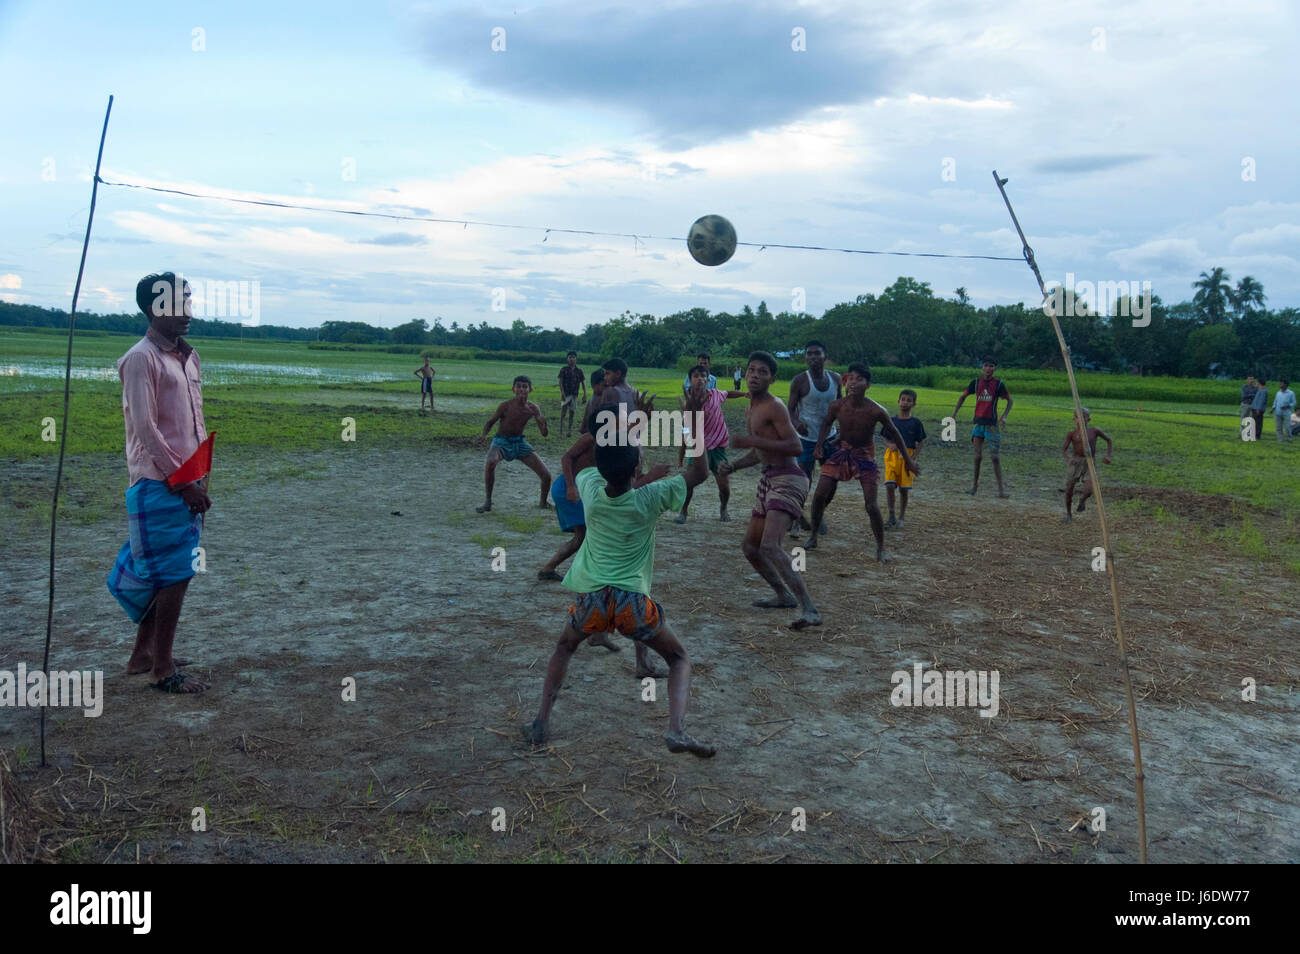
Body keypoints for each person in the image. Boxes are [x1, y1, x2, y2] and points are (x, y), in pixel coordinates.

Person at [521, 438, 716, 758]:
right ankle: (676, 731)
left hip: (592, 604)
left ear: (601, 467)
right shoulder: (651, 497)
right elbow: (700, 471)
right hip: (634, 607)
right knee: (679, 658)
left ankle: (540, 723)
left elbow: (576, 463)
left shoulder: (590, 487)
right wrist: (692, 419)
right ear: (637, 469)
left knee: (564, 648)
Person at [106, 272, 211, 694]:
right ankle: (162, 669)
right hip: (160, 484)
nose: (187, 312)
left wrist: (199, 475)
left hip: (186, 480)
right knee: (173, 574)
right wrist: (183, 481)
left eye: (188, 302)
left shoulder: (189, 357)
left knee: (168, 571)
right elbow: (146, 429)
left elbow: (194, 422)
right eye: (177, 304)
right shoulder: (140, 358)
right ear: (154, 309)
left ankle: (142, 655)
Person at [718, 351, 821, 629]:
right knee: (751, 547)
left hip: (789, 478)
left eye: (762, 372)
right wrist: (735, 466)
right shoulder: (751, 406)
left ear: (772, 378)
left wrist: (750, 439)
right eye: (751, 370)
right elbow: (761, 449)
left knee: (770, 545)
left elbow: (796, 447)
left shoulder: (775, 407)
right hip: (769, 479)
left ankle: (810, 609)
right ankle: (782, 596)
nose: (754, 375)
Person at [805, 364, 915, 561]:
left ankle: (881, 548)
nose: (853, 383)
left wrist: (907, 460)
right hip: (841, 450)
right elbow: (827, 423)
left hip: (864, 456)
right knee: (820, 495)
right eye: (851, 379)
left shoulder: (875, 410)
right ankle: (813, 535)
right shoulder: (837, 405)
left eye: (859, 379)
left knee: (871, 505)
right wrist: (819, 445)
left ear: (868, 385)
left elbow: (895, 432)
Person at [539, 369, 606, 582]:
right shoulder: (590, 439)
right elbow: (566, 458)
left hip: (577, 488)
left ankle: (551, 569)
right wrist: (570, 487)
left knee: (586, 534)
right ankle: (550, 568)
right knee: (584, 535)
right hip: (567, 487)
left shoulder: (609, 442)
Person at [676, 364, 748, 523]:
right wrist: (681, 456)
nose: (700, 379)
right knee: (689, 483)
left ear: (708, 380)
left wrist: (744, 394)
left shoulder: (715, 394)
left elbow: (728, 393)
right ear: (690, 380)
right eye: (696, 376)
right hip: (697, 447)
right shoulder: (689, 404)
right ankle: (683, 511)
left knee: (724, 485)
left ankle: (723, 508)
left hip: (718, 447)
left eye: (703, 376)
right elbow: (685, 431)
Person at [787, 340, 842, 534]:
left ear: (825, 356)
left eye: (817, 353)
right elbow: (790, 409)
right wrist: (796, 423)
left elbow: (841, 406)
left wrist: (843, 433)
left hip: (830, 438)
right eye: (809, 354)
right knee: (804, 481)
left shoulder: (836, 379)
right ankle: (795, 519)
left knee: (832, 481)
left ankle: (818, 514)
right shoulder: (800, 380)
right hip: (805, 439)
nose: (813, 357)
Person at [475, 376, 551, 513]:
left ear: (530, 390)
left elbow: (544, 434)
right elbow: (490, 422)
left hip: (519, 442)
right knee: (491, 462)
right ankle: (488, 501)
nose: (521, 389)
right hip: (501, 441)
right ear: (513, 389)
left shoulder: (534, 408)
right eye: (519, 386)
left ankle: (543, 503)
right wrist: (483, 435)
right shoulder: (505, 406)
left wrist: (545, 426)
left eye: (525, 386)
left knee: (546, 475)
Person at [953, 358, 1013, 497]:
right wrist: (955, 413)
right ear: (982, 368)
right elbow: (963, 397)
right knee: (977, 457)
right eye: (986, 365)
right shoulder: (976, 382)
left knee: (995, 457)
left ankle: (1001, 490)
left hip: (992, 425)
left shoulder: (998, 385)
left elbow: (1010, 400)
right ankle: (974, 487)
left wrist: (1004, 416)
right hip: (978, 424)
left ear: (994, 368)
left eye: (991, 366)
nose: (988, 368)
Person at [884, 388, 927, 529]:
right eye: (903, 399)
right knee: (889, 485)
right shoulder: (891, 420)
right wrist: (890, 445)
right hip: (892, 457)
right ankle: (891, 515)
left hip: (907, 457)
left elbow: (920, 442)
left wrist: (912, 457)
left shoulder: (916, 423)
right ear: (898, 402)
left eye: (909, 400)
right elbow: (885, 437)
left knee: (904, 490)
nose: (905, 402)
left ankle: (901, 517)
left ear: (914, 404)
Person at [1059, 408, 1112, 521]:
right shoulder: (1072, 434)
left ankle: (1082, 501)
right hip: (1076, 462)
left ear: (1089, 419)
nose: (1081, 420)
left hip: (1089, 462)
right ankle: (1068, 514)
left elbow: (1109, 440)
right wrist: (1068, 459)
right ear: (1074, 420)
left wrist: (1108, 455)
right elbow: (1064, 449)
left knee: (1089, 490)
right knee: (1069, 490)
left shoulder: (1094, 431)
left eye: (1084, 417)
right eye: (1078, 417)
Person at [556, 351, 586, 438]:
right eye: (570, 357)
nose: (572, 359)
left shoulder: (579, 371)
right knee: (563, 413)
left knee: (572, 413)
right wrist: (562, 393)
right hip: (566, 394)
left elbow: (583, 383)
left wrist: (584, 394)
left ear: (576, 359)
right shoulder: (564, 369)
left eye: (573, 357)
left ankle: (569, 430)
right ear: (567, 359)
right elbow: (560, 382)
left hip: (574, 395)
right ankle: (561, 431)